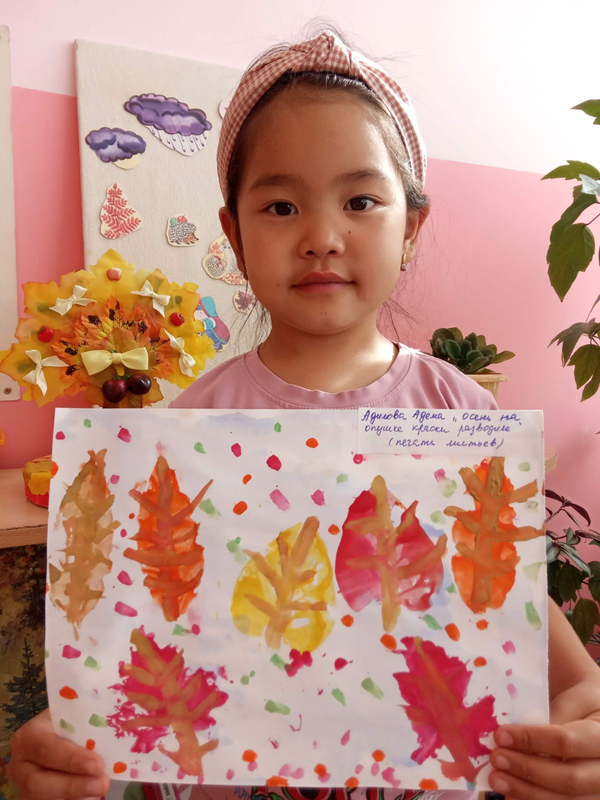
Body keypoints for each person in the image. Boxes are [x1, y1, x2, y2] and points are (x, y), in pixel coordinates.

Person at [9, 26, 600, 800]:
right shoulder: (191, 427)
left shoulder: (458, 410)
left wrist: (583, 715)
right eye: (282, 205)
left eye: (361, 201)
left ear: (411, 227)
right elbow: (131, 625)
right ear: (234, 234)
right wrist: (67, 741)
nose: (322, 237)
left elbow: (521, 611)